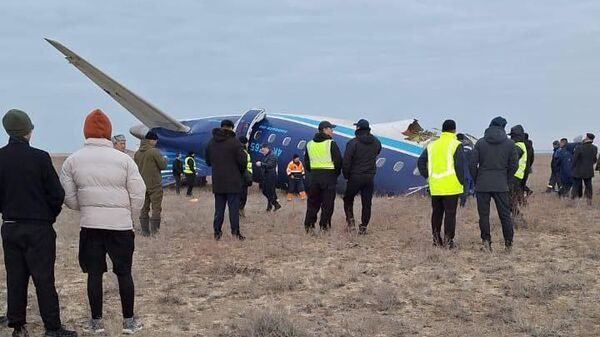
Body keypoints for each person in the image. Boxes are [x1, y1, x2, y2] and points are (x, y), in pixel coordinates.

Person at [60, 109, 146, 335]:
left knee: (94, 274)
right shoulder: (124, 160)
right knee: (124, 273)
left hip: (91, 226)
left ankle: (96, 322)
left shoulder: (72, 160)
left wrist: (87, 208)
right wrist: (127, 212)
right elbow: (139, 192)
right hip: (120, 227)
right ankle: (129, 322)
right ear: (108, 133)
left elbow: (68, 197)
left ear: (85, 131)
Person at [0, 109, 77, 337]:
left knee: (15, 277)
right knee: (44, 278)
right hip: (38, 228)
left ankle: (18, 326)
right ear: (27, 131)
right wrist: (48, 217)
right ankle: (52, 328)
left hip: (10, 226)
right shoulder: (41, 158)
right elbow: (57, 194)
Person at [470, 117, 518, 252]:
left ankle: (486, 243)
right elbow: (514, 165)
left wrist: (477, 179)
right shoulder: (510, 144)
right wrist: (507, 180)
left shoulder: (480, 143)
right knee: (505, 216)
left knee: (484, 216)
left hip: (483, 184)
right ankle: (508, 245)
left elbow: (472, 164)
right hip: (501, 184)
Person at [417, 120, 464, 249]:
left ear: (442, 130)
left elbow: (421, 162)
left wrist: (427, 176)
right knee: (450, 214)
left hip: (435, 186)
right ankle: (449, 242)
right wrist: (461, 182)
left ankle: (436, 241)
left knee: (436, 214)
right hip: (451, 187)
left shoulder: (432, 145)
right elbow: (460, 167)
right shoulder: (456, 144)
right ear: (454, 130)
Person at [205, 119, 248, 240]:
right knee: (233, 210)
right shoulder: (235, 143)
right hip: (233, 182)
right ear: (231, 128)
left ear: (221, 127)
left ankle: (217, 233)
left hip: (218, 182)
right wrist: (238, 172)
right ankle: (235, 233)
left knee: (219, 210)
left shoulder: (211, 143)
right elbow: (243, 162)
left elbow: (208, 161)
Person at [342, 119, 382, 234]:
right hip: (369, 177)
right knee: (367, 203)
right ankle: (364, 227)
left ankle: (351, 223)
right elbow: (378, 151)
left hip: (355, 176)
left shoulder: (353, 143)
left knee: (348, 199)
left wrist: (346, 175)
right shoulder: (376, 142)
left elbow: (346, 161)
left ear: (358, 128)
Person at [303, 121, 343, 234]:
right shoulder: (331, 143)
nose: (332, 131)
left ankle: (309, 226)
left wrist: (313, 171)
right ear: (325, 129)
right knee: (328, 204)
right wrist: (335, 173)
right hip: (329, 177)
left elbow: (306, 162)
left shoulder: (310, 144)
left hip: (314, 177)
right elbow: (338, 161)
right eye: (331, 128)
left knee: (312, 203)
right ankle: (324, 227)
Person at [134, 131, 167, 236]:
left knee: (144, 208)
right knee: (156, 208)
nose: (156, 142)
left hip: (142, 184)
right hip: (154, 184)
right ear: (151, 140)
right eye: (156, 140)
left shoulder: (137, 153)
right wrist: (164, 159)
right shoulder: (154, 152)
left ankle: (145, 231)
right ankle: (155, 232)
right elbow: (163, 166)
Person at [508, 125, 528, 224]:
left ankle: (519, 219)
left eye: (512, 136)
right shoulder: (520, 145)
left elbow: (512, 159)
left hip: (514, 177)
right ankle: (515, 219)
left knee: (509, 201)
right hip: (517, 177)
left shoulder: (518, 146)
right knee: (511, 200)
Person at [571, 133, 597, 204]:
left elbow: (574, 159)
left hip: (578, 170)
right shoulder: (595, 148)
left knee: (576, 186)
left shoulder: (579, 147)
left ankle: (573, 201)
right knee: (589, 186)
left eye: (586, 137)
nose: (584, 138)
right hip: (589, 170)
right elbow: (594, 160)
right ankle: (589, 201)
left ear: (588, 138)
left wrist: (572, 168)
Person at [257, 144, 281, 211]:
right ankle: (273, 204)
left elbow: (270, 165)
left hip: (271, 176)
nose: (263, 152)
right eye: (262, 150)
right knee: (265, 191)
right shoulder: (266, 156)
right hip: (266, 176)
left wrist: (261, 164)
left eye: (263, 150)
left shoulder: (273, 156)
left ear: (267, 149)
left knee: (269, 191)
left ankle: (274, 204)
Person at [456, 133, 474, 207]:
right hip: (466, 172)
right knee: (464, 190)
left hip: (455, 173)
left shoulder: (454, 148)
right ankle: (462, 205)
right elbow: (472, 162)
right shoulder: (469, 149)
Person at [239, 136, 253, 217]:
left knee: (242, 195)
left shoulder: (244, 152)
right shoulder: (243, 153)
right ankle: (240, 210)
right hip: (244, 177)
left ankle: (240, 209)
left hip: (244, 176)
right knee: (242, 195)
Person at [522, 132, 535, 197]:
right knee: (524, 182)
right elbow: (532, 157)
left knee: (519, 183)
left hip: (521, 166)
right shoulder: (530, 146)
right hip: (528, 166)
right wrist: (529, 165)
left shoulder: (522, 145)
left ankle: (526, 191)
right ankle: (527, 191)